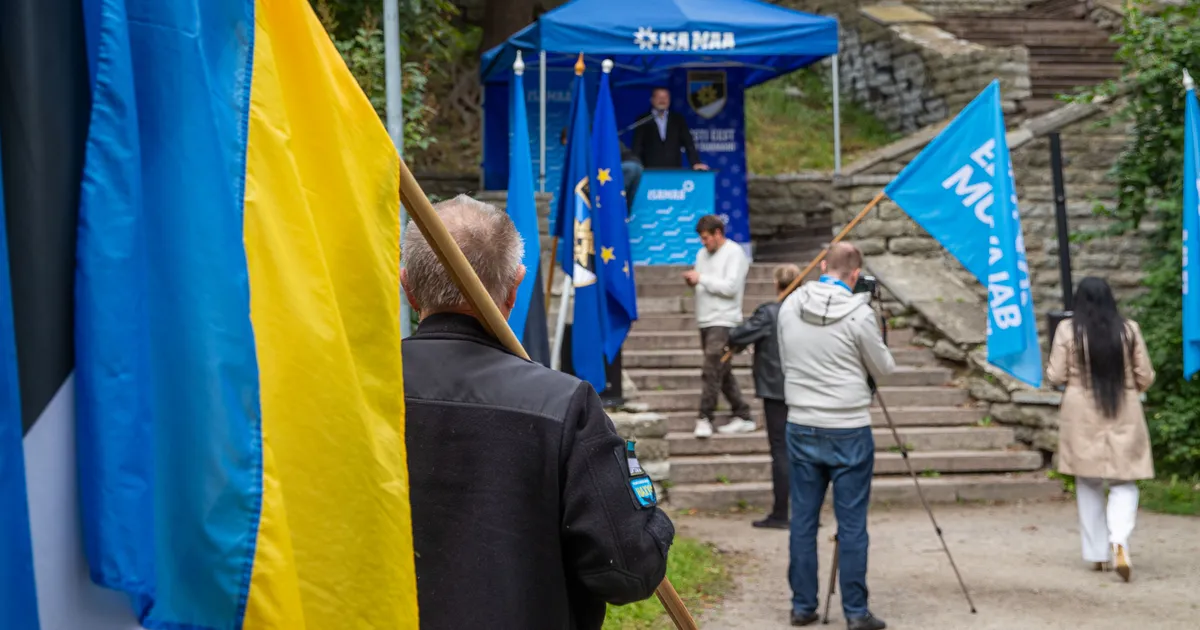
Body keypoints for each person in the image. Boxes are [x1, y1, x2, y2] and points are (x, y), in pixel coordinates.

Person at [401, 195, 675, 629]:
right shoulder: (563, 405)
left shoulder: (352, 392)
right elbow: (628, 570)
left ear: (406, 286)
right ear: (516, 285)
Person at [778, 242, 894, 630]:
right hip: (848, 426)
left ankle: (802, 605)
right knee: (852, 523)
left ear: (823, 265)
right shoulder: (860, 315)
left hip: (802, 421)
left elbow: (785, 356)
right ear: (856, 275)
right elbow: (884, 368)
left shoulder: (790, 306)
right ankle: (857, 612)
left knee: (803, 520)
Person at [1047, 277, 1155, 583]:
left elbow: (1055, 374)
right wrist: (1135, 386)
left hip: (1080, 409)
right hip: (1124, 405)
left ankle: (1097, 554)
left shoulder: (1068, 330)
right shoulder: (1129, 329)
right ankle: (1119, 539)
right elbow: (1144, 375)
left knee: (1088, 480)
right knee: (1124, 480)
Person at [730, 263, 801, 529]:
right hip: (804, 388)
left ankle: (783, 513)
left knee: (781, 451)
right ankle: (804, 513)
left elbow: (739, 333)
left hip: (777, 390)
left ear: (776, 284)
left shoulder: (772, 312)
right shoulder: (807, 311)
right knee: (800, 451)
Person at [685, 214, 753, 439]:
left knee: (711, 369)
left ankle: (705, 417)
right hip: (705, 319)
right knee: (721, 371)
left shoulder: (734, 253)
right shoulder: (701, 254)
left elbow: (731, 287)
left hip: (724, 321)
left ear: (718, 233)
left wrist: (701, 278)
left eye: (706, 238)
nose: (704, 243)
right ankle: (743, 414)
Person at [632, 87, 709, 170]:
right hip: (650, 171)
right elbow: (637, 146)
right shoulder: (643, 120)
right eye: (659, 97)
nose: (662, 100)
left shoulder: (678, 119)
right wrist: (635, 165)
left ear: (669, 100)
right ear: (652, 100)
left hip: (673, 170)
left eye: (665, 97)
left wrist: (696, 162)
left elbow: (688, 143)